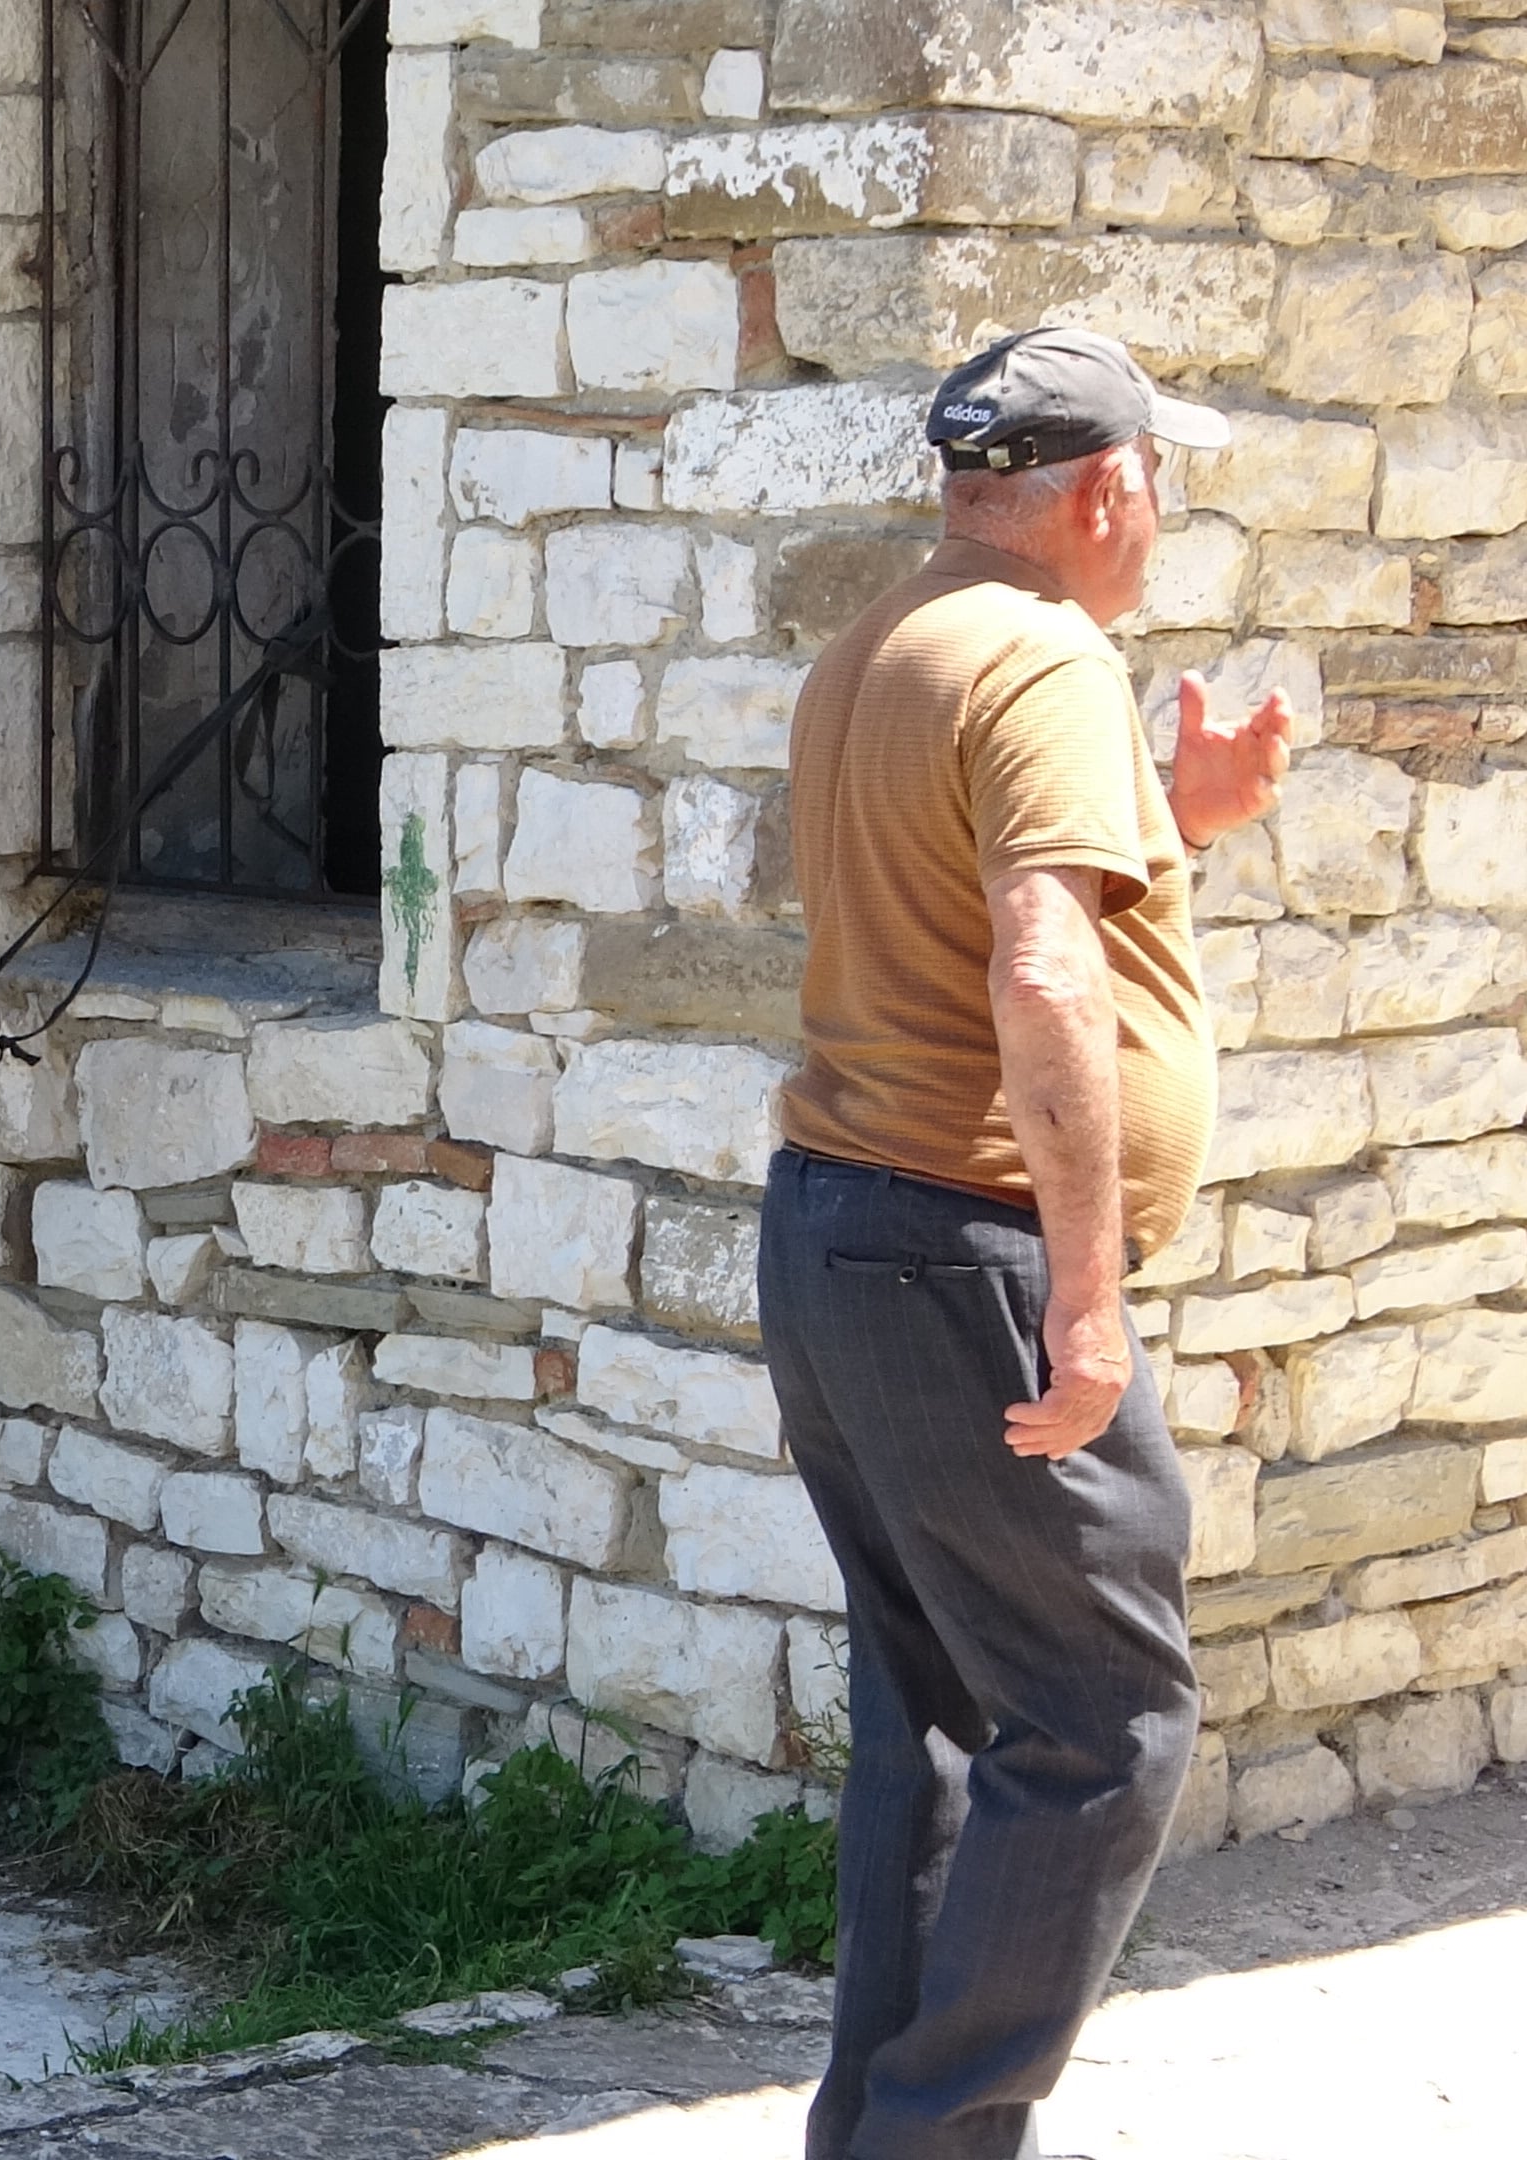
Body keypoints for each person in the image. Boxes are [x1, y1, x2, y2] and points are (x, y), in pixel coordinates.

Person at [762, 326, 1295, 2160]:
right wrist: (1086, 1295)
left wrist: (1179, 813)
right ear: (1111, 486)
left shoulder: (887, 641)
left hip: (845, 1242)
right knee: (1103, 1719)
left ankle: (889, 2141)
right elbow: (1040, 969)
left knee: (935, 1719)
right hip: (963, 1260)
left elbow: (949, 901)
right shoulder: (1051, 653)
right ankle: (928, 2136)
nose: (1159, 521)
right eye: (1164, 484)